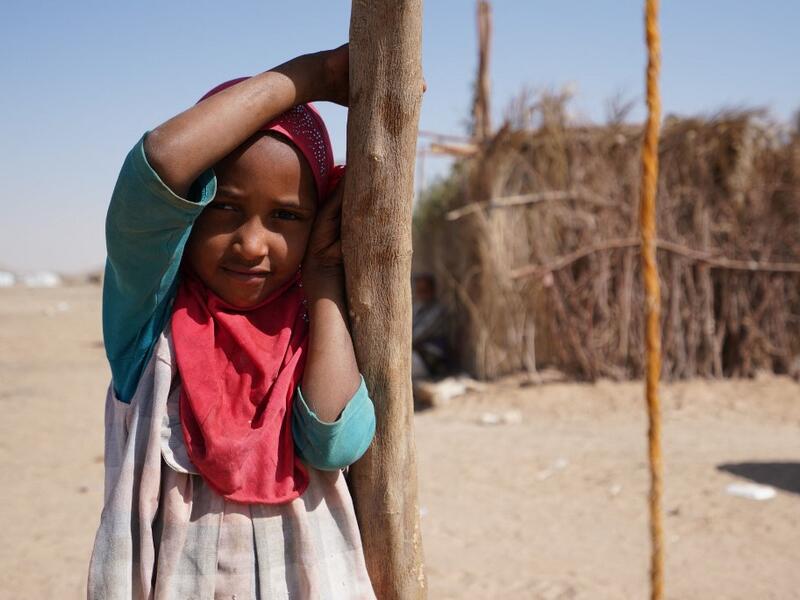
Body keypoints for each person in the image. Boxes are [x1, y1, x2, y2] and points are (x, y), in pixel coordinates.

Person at [88, 45, 378, 598]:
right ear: (191, 212)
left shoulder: (316, 323)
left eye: (287, 216)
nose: (251, 244)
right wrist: (307, 77)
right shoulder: (149, 320)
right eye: (224, 206)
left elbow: (332, 445)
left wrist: (320, 280)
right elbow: (159, 166)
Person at [411, 273, 449, 379]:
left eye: (425, 290)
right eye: (419, 290)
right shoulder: (416, 308)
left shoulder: (437, 311)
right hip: (415, 352)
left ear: (432, 290)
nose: (421, 294)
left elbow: (416, 336)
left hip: (429, 359)